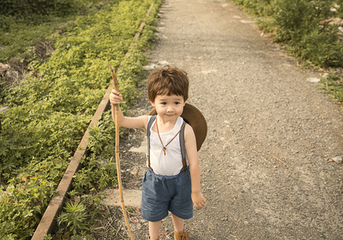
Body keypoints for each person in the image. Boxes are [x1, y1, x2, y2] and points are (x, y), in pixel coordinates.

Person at [109, 65, 206, 240]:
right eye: (164, 103)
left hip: (180, 179)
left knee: (178, 211)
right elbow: (120, 120)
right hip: (154, 180)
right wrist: (114, 105)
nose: (170, 109)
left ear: (184, 101)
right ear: (152, 101)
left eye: (176, 102)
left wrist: (196, 191)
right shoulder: (148, 122)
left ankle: (179, 234)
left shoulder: (186, 130)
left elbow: (194, 162)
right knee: (153, 215)